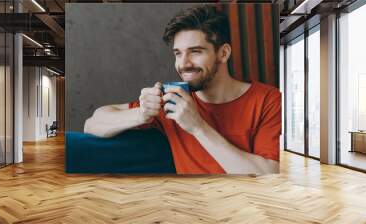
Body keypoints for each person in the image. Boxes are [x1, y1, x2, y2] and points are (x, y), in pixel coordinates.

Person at [84, 5, 281, 175]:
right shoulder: (172, 101)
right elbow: (92, 124)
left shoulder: (268, 99)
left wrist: (198, 127)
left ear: (223, 53)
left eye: (195, 51)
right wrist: (141, 114)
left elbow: (269, 175)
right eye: (178, 54)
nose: (184, 64)